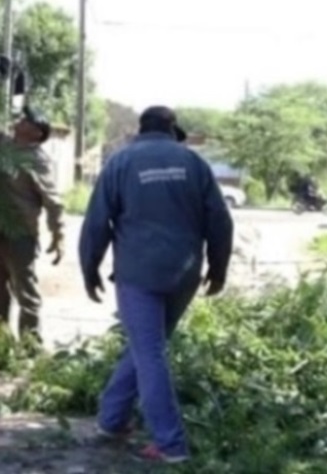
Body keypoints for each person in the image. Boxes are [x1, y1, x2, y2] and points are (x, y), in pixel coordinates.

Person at [82, 105, 234, 465]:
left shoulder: (120, 162)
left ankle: (171, 445)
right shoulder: (194, 164)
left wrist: (90, 268)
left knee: (149, 352)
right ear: (172, 130)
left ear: (140, 128)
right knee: (146, 346)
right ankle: (111, 419)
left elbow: (96, 223)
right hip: (183, 274)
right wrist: (219, 267)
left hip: (139, 275)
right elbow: (220, 221)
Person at [0, 111, 66, 343]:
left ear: (36, 133)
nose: (20, 120)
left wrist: (58, 235)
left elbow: (53, 200)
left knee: (26, 293)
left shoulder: (37, 160)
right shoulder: (6, 146)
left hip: (20, 235)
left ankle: (30, 346)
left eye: (27, 120)